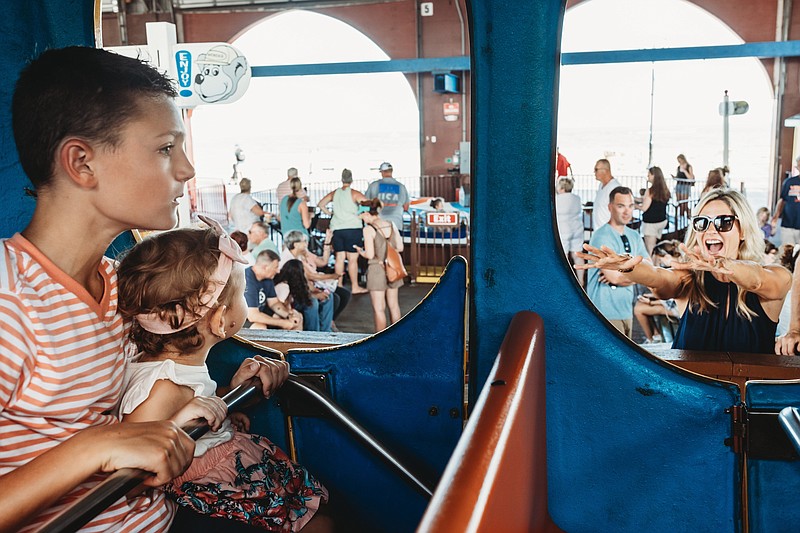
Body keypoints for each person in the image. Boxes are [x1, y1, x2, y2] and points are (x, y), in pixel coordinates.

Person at [0, 46, 283, 532]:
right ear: (82, 163)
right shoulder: (8, 295)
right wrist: (94, 446)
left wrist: (218, 399)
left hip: (158, 514)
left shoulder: (119, 287)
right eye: (165, 147)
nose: (186, 169)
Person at [116, 220, 329, 531]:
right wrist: (179, 428)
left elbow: (193, 403)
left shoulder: (176, 369)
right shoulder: (161, 387)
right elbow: (131, 473)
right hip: (215, 494)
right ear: (219, 321)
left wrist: (228, 397)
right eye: (242, 295)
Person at [579, 189, 792, 354]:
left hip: (745, 407)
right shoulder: (690, 280)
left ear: (743, 230)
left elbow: (757, 280)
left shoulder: (777, 277)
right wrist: (630, 268)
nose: (711, 229)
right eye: (702, 222)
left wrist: (726, 265)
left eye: (723, 222)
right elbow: (658, 277)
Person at [583, 186, 649, 338]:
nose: (627, 211)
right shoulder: (601, 237)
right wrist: (638, 275)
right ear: (610, 207)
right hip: (605, 311)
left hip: (626, 309)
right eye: (621, 206)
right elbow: (615, 278)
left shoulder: (634, 236)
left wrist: (625, 274)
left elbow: (649, 266)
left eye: (630, 206)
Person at [354, 199, 405, 332]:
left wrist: (361, 252)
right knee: (394, 306)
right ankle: (396, 336)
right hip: (393, 268)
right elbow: (400, 247)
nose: (362, 219)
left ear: (367, 213)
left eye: (362, 216)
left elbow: (370, 255)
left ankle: (379, 339)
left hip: (376, 270)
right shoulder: (391, 224)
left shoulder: (368, 229)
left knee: (379, 308)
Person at [317, 168, 368, 295]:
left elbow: (321, 204)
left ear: (342, 179)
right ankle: (355, 287)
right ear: (351, 179)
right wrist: (359, 213)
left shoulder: (334, 193)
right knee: (352, 259)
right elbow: (368, 205)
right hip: (352, 228)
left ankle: (338, 285)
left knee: (339, 258)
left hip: (337, 229)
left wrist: (331, 213)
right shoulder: (355, 193)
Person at [279, 230, 337, 331]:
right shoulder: (288, 260)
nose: (307, 243)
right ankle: (314, 334)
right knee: (312, 302)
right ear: (296, 244)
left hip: (300, 290)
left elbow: (304, 280)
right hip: (290, 296)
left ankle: (325, 332)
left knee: (328, 296)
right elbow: (296, 287)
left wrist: (317, 291)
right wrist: (314, 293)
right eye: (304, 241)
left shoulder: (300, 255)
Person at [633, 240, 683, 344]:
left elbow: (674, 301)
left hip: (680, 309)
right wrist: (652, 297)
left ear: (666, 256)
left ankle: (652, 339)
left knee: (639, 309)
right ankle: (655, 335)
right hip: (673, 304)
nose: (660, 263)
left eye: (660, 260)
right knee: (641, 304)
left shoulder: (679, 268)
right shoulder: (677, 265)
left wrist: (651, 302)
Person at [245, 249, 303, 330]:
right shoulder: (247, 279)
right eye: (275, 267)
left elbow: (274, 303)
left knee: (297, 318)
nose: (278, 271)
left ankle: (293, 342)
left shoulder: (268, 278)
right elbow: (253, 316)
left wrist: (288, 315)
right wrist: (282, 323)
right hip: (242, 319)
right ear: (265, 267)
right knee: (260, 327)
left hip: (260, 312)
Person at [275, 259, 333, 332]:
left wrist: (317, 293)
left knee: (328, 297)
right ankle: (313, 332)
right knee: (312, 303)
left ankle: (326, 330)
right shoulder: (284, 286)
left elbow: (301, 292)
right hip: (289, 307)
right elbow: (281, 303)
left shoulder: (296, 282)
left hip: (296, 301)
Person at [555, 177, 585, 286]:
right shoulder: (577, 198)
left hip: (564, 230)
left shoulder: (557, 199)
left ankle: (567, 283)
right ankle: (581, 282)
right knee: (577, 256)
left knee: (564, 257)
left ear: (561, 187)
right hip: (577, 229)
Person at [365, 162, 410, 234]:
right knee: (395, 244)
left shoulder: (374, 185)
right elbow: (406, 207)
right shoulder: (401, 187)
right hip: (396, 223)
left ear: (382, 172)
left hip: (378, 223)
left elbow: (366, 203)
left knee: (379, 244)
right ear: (391, 171)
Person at [640, 166, 671, 255]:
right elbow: (654, 202)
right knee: (655, 249)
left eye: (649, 174)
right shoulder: (664, 189)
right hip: (662, 221)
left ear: (654, 176)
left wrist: (634, 205)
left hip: (651, 223)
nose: (647, 176)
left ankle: (651, 267)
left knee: (650, 251)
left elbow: (644, 208)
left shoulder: (650, 190)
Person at [771, 164, 800, 246]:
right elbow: (782, 200)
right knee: (786, 251)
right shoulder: (789, 182)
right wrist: (775, 218)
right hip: (788, 225)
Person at [591, 158, 621, 230]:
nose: (594, 172)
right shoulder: (601, 185)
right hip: (599, 232)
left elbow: (619, 213)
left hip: (609, 233)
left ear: (605, 170)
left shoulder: (615, 187)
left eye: (596, 169)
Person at [674, 153, 695, 224]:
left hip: (685, 186)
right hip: (678, 185)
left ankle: (687, 216)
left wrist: (684, 171)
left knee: (684, 203)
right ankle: (682, 216)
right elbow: (678, 176)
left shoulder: (689, 167)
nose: (679, 162)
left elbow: (691, 178)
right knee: (679, 202)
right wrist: (674, 177)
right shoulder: (678, 167)